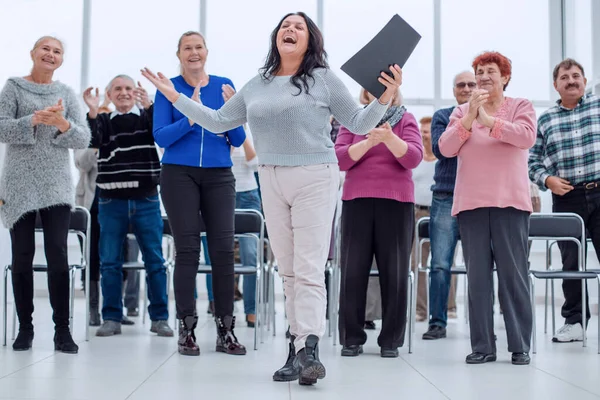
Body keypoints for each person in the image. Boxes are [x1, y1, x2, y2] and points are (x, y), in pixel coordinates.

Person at [141, 12, 401, 385]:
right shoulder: (257, 84)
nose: (290, 30)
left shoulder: (324, 79)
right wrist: (174, 96)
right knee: (289, 270)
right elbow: (217, 121)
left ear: (310, 39)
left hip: (315, 175)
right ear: (275, 38)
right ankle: (296, 349)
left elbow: (359, 124)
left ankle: (309, 348)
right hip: (272, 177)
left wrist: (385, 96)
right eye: (284, 26)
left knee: (309, 267)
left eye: (298, 26)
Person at [152, 31, 247, 357]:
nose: (194, 53)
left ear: (206, 51)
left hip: (220, 175)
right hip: (179, 173)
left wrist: (234, 109)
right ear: (179, 54)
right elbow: (162, 136)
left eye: (198, 47)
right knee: (188, 248)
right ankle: (187, 328)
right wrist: (193, 117)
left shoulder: (223, 84)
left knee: (223, 249)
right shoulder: (169, 87)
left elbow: (236, 139)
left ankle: (226, 329)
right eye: (187, 48)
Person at [439, 51, 536, 365]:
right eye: (479, 71)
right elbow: (445, 147)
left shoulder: (521, 107)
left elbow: (525, 137)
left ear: (504, 77)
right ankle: (483, 346)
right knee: (478, 280)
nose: (483, 77)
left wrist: (489, 121)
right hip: (471, 205)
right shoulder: (460, 111)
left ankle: (520, 344)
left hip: (510, 203)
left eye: (490, 71)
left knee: (514, 277)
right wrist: (469, 119)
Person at [0, 36, 91, 353]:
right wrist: (33, 120)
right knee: (22, 255)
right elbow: (1, 128)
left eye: (57, 51)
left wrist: (62, 123)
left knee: (58, 254)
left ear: (61, 59)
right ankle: (25, 328)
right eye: (46, 49)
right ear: (33, 54)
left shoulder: (66, 94)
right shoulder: (13, 86)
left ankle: (62, 331)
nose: (51, 54)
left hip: (56, 183)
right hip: (18, 181)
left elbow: (82, 138)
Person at [82, 75, 172, 338]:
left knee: (155, 261)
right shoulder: (103, 121)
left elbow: (161, 134)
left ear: (137, 93)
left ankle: (159, 318)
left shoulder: (146, 117)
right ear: (109, 94)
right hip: (111, 200)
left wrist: (148, 107)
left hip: (146, 198)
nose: (123, 93)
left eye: (129, 89)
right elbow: (94, 141)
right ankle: (111, 317)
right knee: (109, 261)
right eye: (117, 89)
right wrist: (93, 109)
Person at [335, 87, 422, 358]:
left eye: (385, 91)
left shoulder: (407, 120)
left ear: (395, 94)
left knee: (395, 272)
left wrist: (388, 138)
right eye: (373, 91)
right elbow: (340, 159)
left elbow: (413, 157)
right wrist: (370, 142)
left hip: (396, 203)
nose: (379, 95)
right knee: (352, 272)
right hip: (356, 201)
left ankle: (390, 341)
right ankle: (351, 338)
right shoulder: (353, 120)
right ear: (365, 96)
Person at [529, 58, 600, 343]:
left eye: (576, 76)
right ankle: (575, 322)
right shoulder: (545, 119)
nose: (571, 80)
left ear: (584, 80)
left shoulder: (597, 106)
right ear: (555, 85)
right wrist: (547, 180)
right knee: (571, 261)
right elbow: (532, 161)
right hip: (567, 197)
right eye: (565, 77)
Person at [423, 71, 476, 340]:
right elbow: (442, 149)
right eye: (461, 85)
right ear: (454, 90)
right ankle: (437, 322)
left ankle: (481, 322)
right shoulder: (443, 116)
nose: (466, 88)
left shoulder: (487, 116)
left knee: (479, 264)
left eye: (471, 84)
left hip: (478, 197)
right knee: (440, 264)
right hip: (445, 195)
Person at [411, 116, 436, 322]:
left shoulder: (443, 159)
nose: (424, 134)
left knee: (442, 262)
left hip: (439, 212)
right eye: (422, 130)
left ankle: (449, 306)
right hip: (416, 213)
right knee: (416, 262)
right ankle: (420, 309)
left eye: (427, 131)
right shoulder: (415, 158)